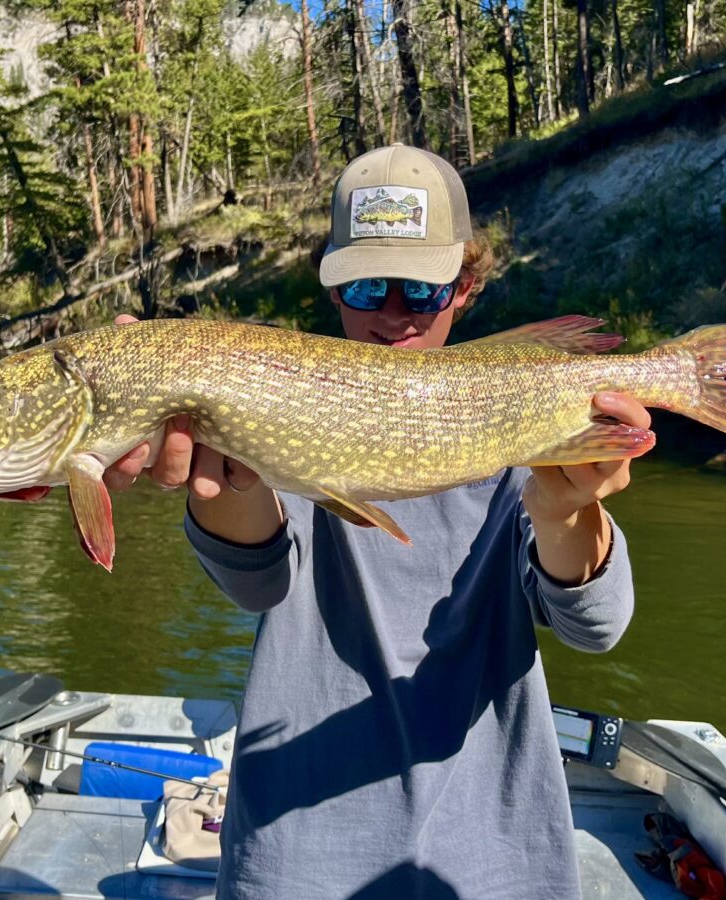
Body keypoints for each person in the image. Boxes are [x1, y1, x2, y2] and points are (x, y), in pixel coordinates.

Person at [104, 144, 648, 899]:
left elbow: (597, 624)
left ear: (464, 287)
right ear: (333, 291)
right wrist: (220, 478)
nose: (393, 315)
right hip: (297, 865)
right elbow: (257, 583)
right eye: (366, 285)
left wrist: (568, 507)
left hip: (497, 859)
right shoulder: (287, 398)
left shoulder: (520, 423)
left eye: (420, 289)